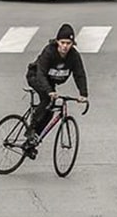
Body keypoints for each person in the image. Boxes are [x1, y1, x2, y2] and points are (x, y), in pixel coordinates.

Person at [23, 23, 88, 158]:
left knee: (50, 112)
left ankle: (32, 141)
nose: (65, 46)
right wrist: (49, 91)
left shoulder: (74, 56)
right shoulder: (49, 52)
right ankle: (31, 129)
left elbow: (79, 74)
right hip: (35, 76)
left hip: (49, 81)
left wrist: (83, 94)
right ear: (57, 41)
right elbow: (41, 73)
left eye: (68, 43)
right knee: (47, 99)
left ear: (72, 44)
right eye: (63, 42)